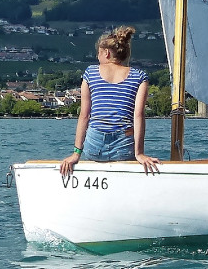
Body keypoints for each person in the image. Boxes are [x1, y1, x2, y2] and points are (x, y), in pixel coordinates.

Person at [60, 26, 159, 175]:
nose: (97, 57)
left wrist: (76, 154)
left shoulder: (90, 73)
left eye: (98, 53)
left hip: (94, 145)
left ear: (106, 53)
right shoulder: (139, 77)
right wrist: (139, 154)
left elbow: (84, 115)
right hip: (124, 145)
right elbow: (138, 115)